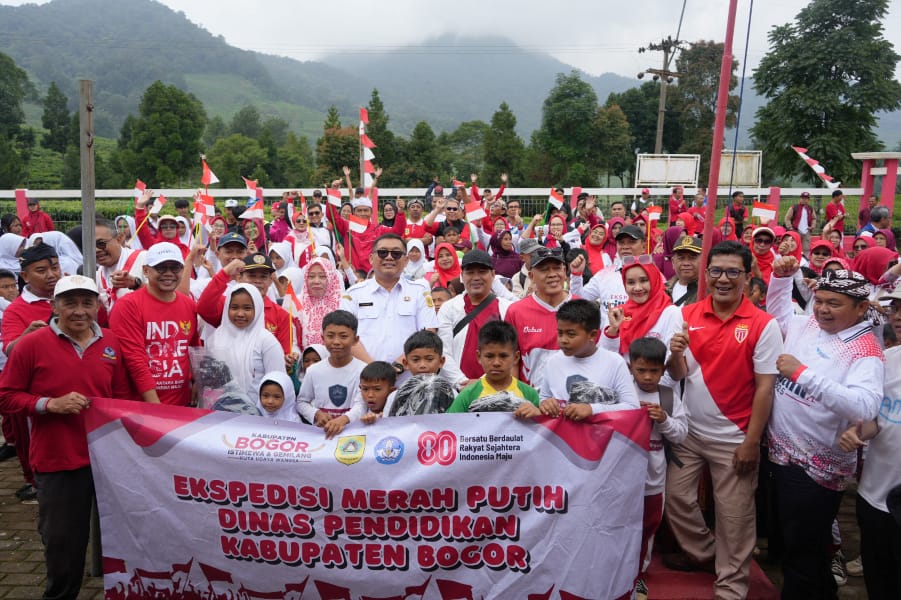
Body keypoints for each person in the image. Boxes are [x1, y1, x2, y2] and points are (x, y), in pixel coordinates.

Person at [0, 275, 132, 600]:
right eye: (69, 303)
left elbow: (122, 396)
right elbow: (6, 396)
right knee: (63, 544)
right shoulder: (31, 345)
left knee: (125, 536)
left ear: (97, 306)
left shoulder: (112, 343)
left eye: (87, 303)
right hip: (58, 460)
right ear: (53, 306)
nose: (79, 311)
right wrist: (48, 404)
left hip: (107, 460)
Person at [664, 241, 783, 600]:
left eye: (733, 272)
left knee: (734, 517)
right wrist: (674, 354)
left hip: (735, 437)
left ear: (748, 277)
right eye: (716, 271)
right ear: (706, 273)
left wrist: (751, 442)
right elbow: (678, 373)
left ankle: (731, 585)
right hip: (690, 433)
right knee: (675, 498)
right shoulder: (688, 315)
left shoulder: (764, 325)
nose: (723, 279)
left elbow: (765, 389)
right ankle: (707, 554)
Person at [766, 257, 883, 598]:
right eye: (819, 300)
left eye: (835, 304)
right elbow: (778, 315)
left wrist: (802, 374)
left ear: (861, 307)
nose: (823, 310)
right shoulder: (808, 325)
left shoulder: (865, 349)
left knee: (804, 553)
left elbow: (864, 406)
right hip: (781, 455)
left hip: (816, 469)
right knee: (797, 547)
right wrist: (780, 279)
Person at [839, 286, 901, 600]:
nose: (898, 316)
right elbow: (878, 421)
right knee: (881, 584)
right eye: (896, 307)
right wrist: (859, 431)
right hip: (877, 498)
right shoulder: (886, 360)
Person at [628, 337, 688, 600]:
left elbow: (681, 435)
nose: (648, 377)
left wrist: (663, 420)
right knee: (618, 526)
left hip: (653, 477)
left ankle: (639, 576)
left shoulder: (668, 396)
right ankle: (616, 573)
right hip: (620, 477)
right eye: (641, 370)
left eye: (654, 370)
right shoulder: (622, 392)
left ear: (663, 370)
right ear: (630, 367)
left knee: (647, 527)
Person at [518, 298, 638, 420]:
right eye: (560, 333)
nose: (563, 340)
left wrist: (592, 409)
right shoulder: (553, 362)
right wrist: (546, 404)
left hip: (599, 437)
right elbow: (545, 397)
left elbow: (632, 406)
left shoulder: (615, 362)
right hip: (561, 438)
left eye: (571, 334)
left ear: (592, 335)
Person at [108, 242, 198, 406]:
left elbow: (192, 348)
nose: (169, 273)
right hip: (143, 409)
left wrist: (198, 381)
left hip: (182, 406)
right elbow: (135, 361)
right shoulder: (128, 306)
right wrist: (156, 409)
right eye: (161, 268)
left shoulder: (188, 304)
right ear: (146, 271)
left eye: (175, 268)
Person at [340, 234, 438, 365]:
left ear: (406, 260)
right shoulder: (353, 294)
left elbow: (428, 334)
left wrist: (397, 367)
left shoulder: (419, 292)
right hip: (364, 378)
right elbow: (345, 335)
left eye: (396, 253)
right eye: (382, 252)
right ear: (371, 258)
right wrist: (373, 369)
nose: (389, 257)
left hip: (409, 378)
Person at [197, 252, 295, 360]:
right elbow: (203, 308)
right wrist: (225, 274)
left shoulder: (282, 316)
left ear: (270, 281)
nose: (257, 281)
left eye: (263, 277)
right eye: (252, 275)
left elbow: (283, 355)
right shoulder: (228, 305)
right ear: (239, 278)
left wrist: (288, 361)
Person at [504, 246, 573, 392]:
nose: (552, 274)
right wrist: (516, 399)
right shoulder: (516, 311)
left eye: (557, 268)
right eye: (544, 270)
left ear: (565, 272)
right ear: (531, 276)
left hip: (574, 404)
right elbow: (511, 361)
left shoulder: (581, 307)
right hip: (531, 404)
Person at [437, 250, 513, 381]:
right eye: (470, 272)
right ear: (461, 276)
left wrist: (485, 384)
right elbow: (443, 350)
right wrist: (462, 382)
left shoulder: (507, 308)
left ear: (493, 274)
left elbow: (513, 350)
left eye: (482, 272)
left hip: (497, 386)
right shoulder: (449, 308)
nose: (476, 277)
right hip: (459, 390)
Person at [206, 283, 284, 402]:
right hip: (221, 410)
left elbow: (278, 381)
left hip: (257, 413)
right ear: (227, 307)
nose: (240, 314)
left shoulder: (266, 341)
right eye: (234, 307)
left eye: (247, 308)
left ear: (257, 308)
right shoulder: (216, 337)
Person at [296, 310, 367, 437]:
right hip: (321, 435)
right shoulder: (313, 370)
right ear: (323, 338)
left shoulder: (363, 370)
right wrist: (316, 414)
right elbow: (301, 402)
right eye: (330, 336)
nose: (336, 342)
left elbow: (361, 405)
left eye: (343, 336)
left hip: (352, 434)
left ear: (355, 340)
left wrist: (344, 419)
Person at [446, 320, 539, 414]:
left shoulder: (529, 395)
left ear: (516, 357)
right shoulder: (468, 395)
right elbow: (450, 425)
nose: (496, 363)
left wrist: (538, 414)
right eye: (489, 356)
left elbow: (543, 426)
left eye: (503, 356)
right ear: (479, 357)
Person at [602, 258, 681, 360]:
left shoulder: (671, 313)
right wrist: (613, 330)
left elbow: (671, 361)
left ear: (654, 280)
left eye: (644, 280)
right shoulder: (618, 313)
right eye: (631, 282)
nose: (637, 288)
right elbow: (606, 358)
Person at [93, 218, 146, 315]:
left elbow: (164, 297)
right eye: (91, 245)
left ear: (119, 238)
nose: (96, 250)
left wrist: (136, 284)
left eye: (101, 243)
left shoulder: (144, 260)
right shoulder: (96, 275)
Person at [298, 256, 343, 348]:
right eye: (311, 276)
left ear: (331, 278)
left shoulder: (343, 302)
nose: (316, 281)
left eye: (322, 276)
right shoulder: (297, 302)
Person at [665, 236, 702, 306]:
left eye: (692, 258)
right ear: (673, 262)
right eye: (681, 258)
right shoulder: (663, 289)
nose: (686, 263)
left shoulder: (710, 291)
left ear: (704, 261)